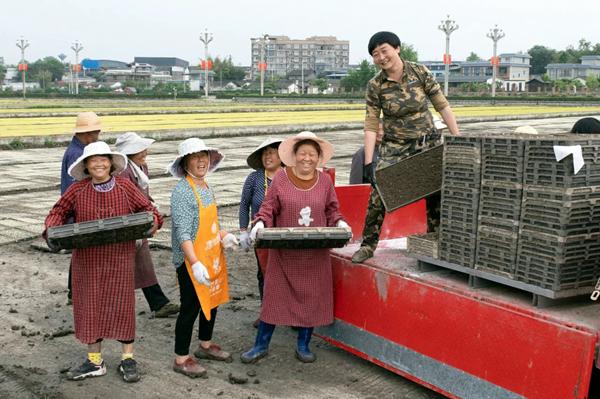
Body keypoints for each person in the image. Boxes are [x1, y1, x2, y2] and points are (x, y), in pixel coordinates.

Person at [44, 141, 163, 383]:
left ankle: (127, 359)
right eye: (93, 160)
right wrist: (51, 230)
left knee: (122, 307)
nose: (99, 164)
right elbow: (57, 212)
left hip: (119, 259)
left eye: (103, 159)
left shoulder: (125, 186)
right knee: (90, 307)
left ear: (111, 163)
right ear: (86, 165)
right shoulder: (77, 190)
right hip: (87, 261)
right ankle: (94, 361)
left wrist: (153, 223)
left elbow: (149, 209)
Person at [241, 131, 350, 364]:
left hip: (314, 254)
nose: (307, 158)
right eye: (302, 153)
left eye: (312, 154)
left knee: (310, 300)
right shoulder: (281, 178)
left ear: (318, 157)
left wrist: (340, 222)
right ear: (294, 155)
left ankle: (303, 344)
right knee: (273, 298)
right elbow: (268, 207)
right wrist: (259, 222)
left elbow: (332, 210)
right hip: (285, 253)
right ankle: (261, 345)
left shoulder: (325, 182)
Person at [351, 31, 460, 264]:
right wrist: (369, 161)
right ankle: (368, 245)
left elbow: (442, 106)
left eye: (384, 50)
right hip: (395, 145)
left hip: (427, 141)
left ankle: (437, 241)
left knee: (435, 192)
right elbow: (371, 123)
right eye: (375, 54)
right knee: (378, 194)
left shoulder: (420, 72)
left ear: (397, 48)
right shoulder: (375, 85)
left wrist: (458, 138)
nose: (381, 57)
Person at [169, 138, 238, 378]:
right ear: (185, 162)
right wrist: (195, 262)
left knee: (212, 300)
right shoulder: (182, 191)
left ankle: (205, 345)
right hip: (191, 261)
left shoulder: (206, 186)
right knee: (190, 306)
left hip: (212, 256)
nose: (201, 161)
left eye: (204, 156)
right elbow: (183, 232)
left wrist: (223, 236)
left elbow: (207, 225)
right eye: (195, 156)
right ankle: (181, 358)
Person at [114, 132, 180, 318]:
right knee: (125, 265)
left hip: (140, 219)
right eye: (139, 150)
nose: (144, 152)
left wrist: (151, 205)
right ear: (128, 153)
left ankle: (158, 303)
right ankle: (156, 303)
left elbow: (143, 194)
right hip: (129, 222)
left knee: (140, 264)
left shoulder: (141, 167)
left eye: (143, 148)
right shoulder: (124, 172)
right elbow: (126, 200)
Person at [239, 137, 284, 325]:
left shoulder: (290, 175)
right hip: (261, 235)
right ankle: (266, 313)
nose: (268, 156)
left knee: (286, 271)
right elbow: (244, 205)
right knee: (264, 272)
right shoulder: (254, 178)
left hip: (285, 233)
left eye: (272, 152)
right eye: (265, 153)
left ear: (282, 156)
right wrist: (243, 230)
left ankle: (288, 312)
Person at [61, 112, 102, 303]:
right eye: (96, 133)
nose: (98, 136)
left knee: (81, 251)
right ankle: (75, 292)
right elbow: (74, 187)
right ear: (88, 134)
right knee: (82, 252)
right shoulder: (77, 154)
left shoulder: (76, 149)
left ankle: (73, 291)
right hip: (78, 210)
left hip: (76, 209)